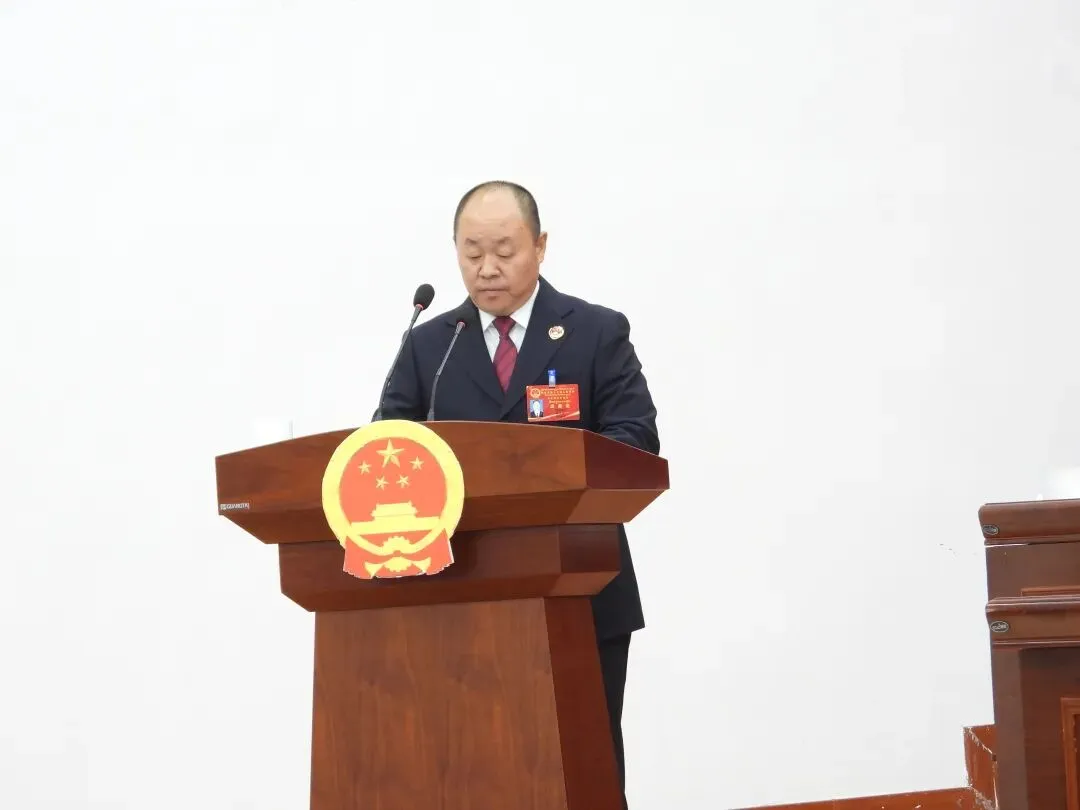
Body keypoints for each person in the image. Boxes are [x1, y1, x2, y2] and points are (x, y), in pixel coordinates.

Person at [378, 180, 659, 807]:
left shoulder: (595, 332)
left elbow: (636, 439)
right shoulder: (431, 345)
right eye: (472, 252)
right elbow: (385, 449)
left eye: (504, 250)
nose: (488, 268)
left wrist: (550, 472)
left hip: (580, 590)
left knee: (581, 764)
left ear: (540, 246)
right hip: (455, 595)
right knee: (470, 768)